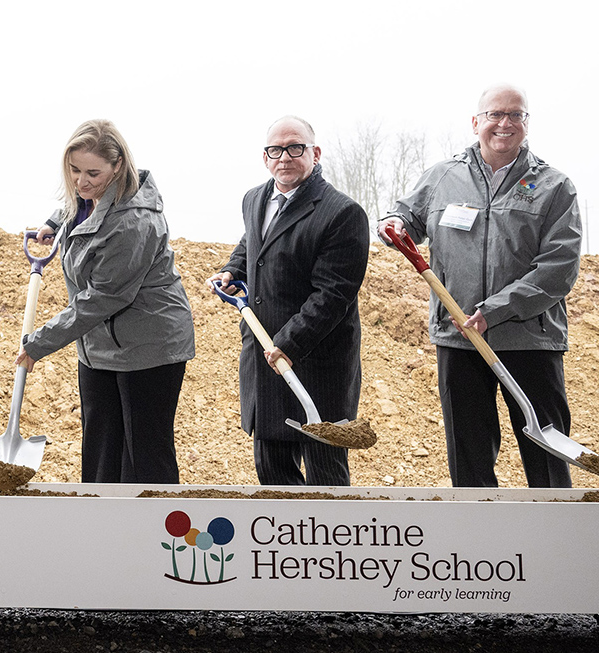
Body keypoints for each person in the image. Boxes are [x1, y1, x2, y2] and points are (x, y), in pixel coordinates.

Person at [378, 85, 580, 489]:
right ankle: (478, 542)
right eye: (494, 114)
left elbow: (558, 268)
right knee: (468, 454)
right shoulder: (443, 177)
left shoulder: (554, 186)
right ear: (476, 122)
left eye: (515, 115)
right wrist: (394, 224)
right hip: (459, 335)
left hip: (529, 339)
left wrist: (496, 310)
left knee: (546, 455)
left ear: (527, 124)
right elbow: (406, 216)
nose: (504, 123)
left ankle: (557, 539)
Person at [18, 119, 195, 484]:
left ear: (118, 167)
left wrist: (39, 343)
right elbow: (79, 208)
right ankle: (101, 532)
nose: (82, 182)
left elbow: (103, 298)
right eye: (74, 170)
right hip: (99, 345)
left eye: (93, 173)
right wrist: (54, 222)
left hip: (149, 344)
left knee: (144, 456)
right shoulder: (90, 196)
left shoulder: (133, 223)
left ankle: (157, 533)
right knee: (101, 450)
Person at [208, 116, 369, 487]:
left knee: (325, 475)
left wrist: (287, 343)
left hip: (317, 363)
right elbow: (254, 243)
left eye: (295, 148)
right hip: (264, 357)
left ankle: (333, 541)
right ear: (265, 157)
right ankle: (289, 545)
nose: (285, 157)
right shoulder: (255, 198)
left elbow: (333, 295)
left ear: (314, 153)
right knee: (273, 474)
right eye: (275, 150)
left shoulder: (342, 213)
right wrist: (233, 270)